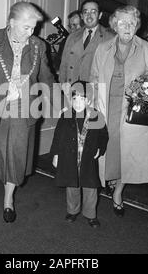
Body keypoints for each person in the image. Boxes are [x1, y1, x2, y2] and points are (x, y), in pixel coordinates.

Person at [0, 1, 56, 223]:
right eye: (27, 27)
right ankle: (6, 182)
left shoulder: (38, 46)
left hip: (25, 109)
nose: (31, 32)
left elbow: (46, 77)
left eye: (34, 28)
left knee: (16, 154)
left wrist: (60, 101)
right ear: (12, 23)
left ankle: (8, 199)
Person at [90, 5, 148, 217]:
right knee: (106, 149)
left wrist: (143, 90)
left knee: (127, 155)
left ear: (137, 25)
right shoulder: (103, 48)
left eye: (131, 23)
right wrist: (92, 107)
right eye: (122, 23)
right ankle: (106, 181)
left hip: (131, 112)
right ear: (114, 25)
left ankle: (118, 192)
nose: (127, 27)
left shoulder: (147, 49)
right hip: (105, 107)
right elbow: (94, 78)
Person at [50, 80, 108, 228]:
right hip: (69, 158)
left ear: (88, 100)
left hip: (88, 158)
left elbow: (103, 136)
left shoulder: (96, 116)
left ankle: (90, 214)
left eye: (82, 99)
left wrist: (100, 149)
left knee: (90, 187)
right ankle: (72, 210)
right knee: (72, 185)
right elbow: (57, 136)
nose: (77, 103)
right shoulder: (66, 116)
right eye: (74, 98)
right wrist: (56, 155)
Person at [59, 0, 114, 87]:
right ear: (81, 16)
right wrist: (63, 85)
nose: (89, 16)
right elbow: (64, 65)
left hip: (95, 92)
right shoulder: (72, 37)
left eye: (93, 12)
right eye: (85, 12)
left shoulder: (109, 38)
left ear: (100, 15)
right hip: (71, 90)